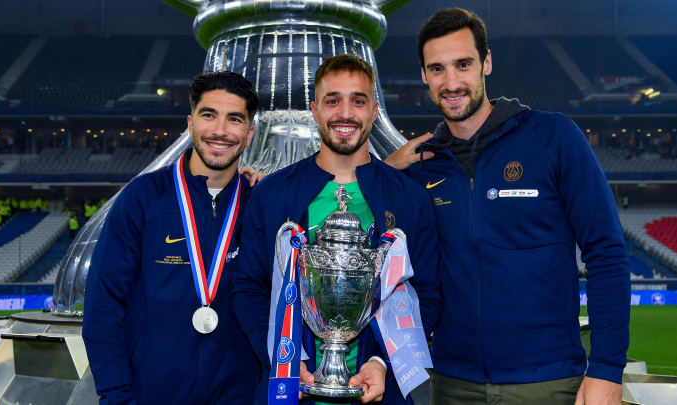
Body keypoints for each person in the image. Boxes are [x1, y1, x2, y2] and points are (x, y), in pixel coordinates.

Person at [385, 8, 630, 405]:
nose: (451, 82)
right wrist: (386, 172)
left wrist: (606, 368)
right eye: (437, 69)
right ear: (424, 75)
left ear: (487, 62)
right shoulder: (420, 167)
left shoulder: (553, 137)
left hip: (547, 382)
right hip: (449, 383)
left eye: (463, 64)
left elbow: (606, 252)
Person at [232, 54, 442, 405]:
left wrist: (382, 363)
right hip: (292, 391)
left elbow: (428, 294)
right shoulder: (273, 193)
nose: (345, 114)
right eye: (333, 101)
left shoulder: (410, 200)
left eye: (357, 101)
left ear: (374, 111)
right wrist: (284, 359)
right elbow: (248, 287)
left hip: (378, 391)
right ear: (314, 110)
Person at [83, 71, 263, 404]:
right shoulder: (143, 198)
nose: (221, 131)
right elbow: (103, 310)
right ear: (190, 123)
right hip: (151, 395)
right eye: (209, 115)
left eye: (235, 119)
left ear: (249, 133)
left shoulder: (260, 204)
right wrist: (118, 396)